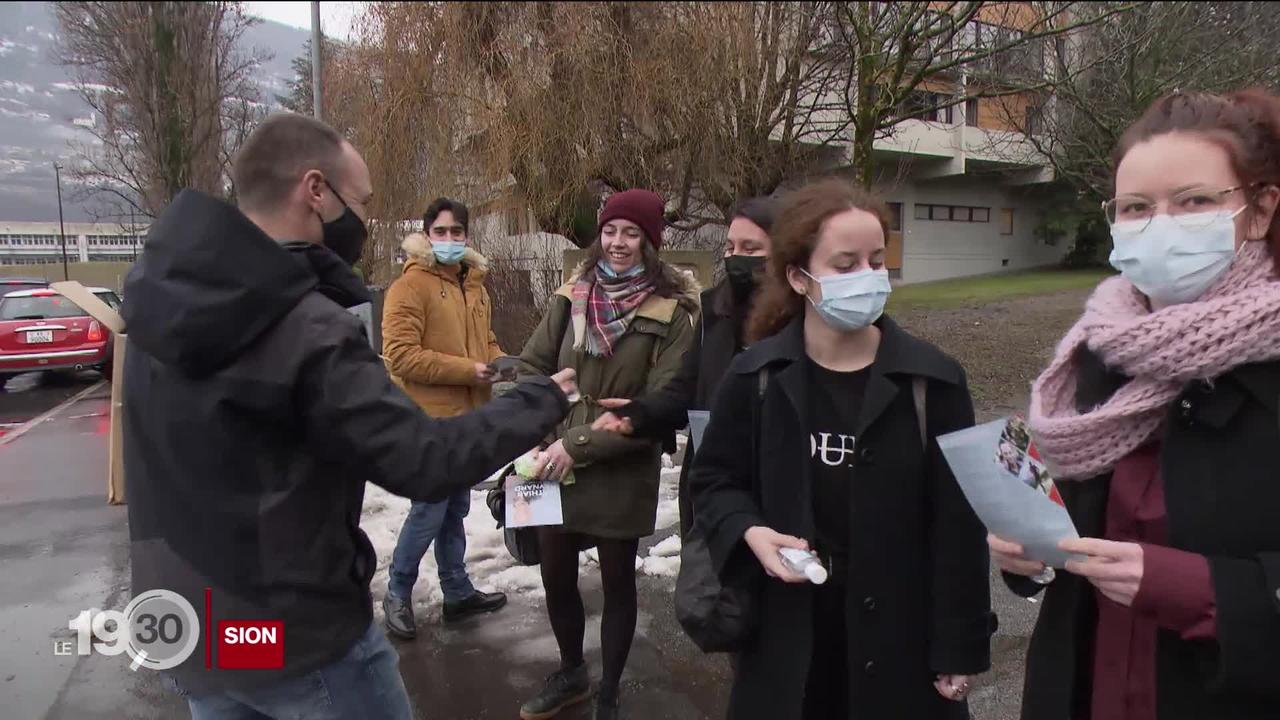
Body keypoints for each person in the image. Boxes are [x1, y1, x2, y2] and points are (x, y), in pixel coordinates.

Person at [120, 112, 576, 720]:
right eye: (360, 202)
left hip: (185, 622)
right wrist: (542, 398)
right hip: (294, 633)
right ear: (316, 191)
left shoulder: (156, 301)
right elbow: (424, 460)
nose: (363, 220)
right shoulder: (303, 326)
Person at [992, 89, 1280, 720]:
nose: (1160, 225)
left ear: (1259, 210)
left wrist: (1199, 590)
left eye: (1195, 202)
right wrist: (1030, 558)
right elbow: (1069, 535)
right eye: (1135, 208)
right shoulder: (1095, 353)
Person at [689, 177, 993, 720]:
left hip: (902, 649)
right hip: (787, 647)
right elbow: (713, 481)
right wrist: (751, 532)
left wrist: (960, 645)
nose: (869, 278)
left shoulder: (934, 382)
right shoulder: (755, 376)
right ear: (797, 277)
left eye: (877, 260)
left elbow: (958, 526)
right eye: (846, 264)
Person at [515, 189, 698, 720]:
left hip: (619, 459)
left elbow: (663, 404)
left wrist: (579, 444)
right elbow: (531, 366)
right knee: (554, 572)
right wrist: (535, 426)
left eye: (631, 233)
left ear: (649, 242)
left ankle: (610, 690)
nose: (618, 243)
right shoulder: (571, 296)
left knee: (617, 577)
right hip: (552, 460)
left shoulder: (672, 313)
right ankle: (571, 671)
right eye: (611, 231)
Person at [591, 196, 777, 536]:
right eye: (731, 247)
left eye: (750, 248)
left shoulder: (804, 322)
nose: (735, 257)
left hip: (777, 495)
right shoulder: (714, 312)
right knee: (698, 588)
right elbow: (685, 390)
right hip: (713, 488)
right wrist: (639, 413)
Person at [380, 198, 508, 638]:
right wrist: (467, 370)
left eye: (457, 232)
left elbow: (484, 342)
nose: (450, 240)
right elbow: (399, 356)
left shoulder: (475, 285)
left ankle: (457, 592)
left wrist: (501, 362)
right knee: (430, 509)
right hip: (428, 420)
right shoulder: (409, 287)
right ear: (426, 234)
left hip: (467, 418)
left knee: (455, 507)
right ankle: (397, 591)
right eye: (441, 232)